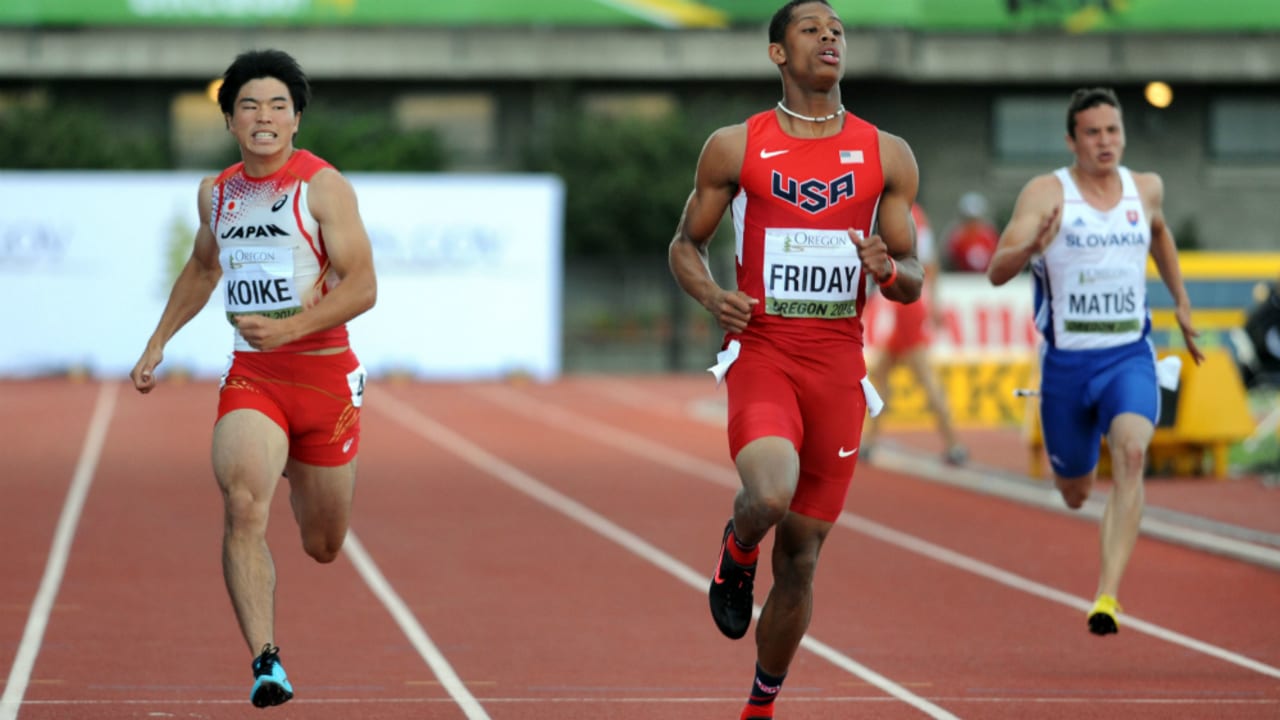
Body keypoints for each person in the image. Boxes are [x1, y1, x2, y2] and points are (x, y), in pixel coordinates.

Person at [667, 2, 923, 717]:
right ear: (778, 53)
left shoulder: (887, 152)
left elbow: (911, 276)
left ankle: (760, 705)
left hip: (839, 365)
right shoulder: (735, 145)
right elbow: (684, 243)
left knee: (804, 557)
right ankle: (737, 547)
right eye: (811, 29)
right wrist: (715, 297)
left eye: (837, 28)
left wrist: (888, 270)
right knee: (770, 496)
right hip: (765, 352)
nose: (830, 36)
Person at [129, 49, 377, 707]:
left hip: (324, 379)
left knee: (323, 544)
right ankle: (267, 661)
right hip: (255, 378)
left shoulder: (323, 188)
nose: (263, 117)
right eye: (249, 105)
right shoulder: (217, 193)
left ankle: (299, 463)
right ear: (231, 120)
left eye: (276, 106)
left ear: (295, 119)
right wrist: (157, 342)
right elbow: (204, 269)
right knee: (242, 504)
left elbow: (364, 288)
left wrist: (293, 328)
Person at [987, 86, 1202, 636]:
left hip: (1128, 356)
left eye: (1113, 131)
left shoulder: (1145, 188)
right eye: (1092, 132)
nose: (1105, 142)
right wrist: (1032, 245)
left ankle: (1106, 595)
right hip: (1066, 367)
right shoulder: (1045, 194)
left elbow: (1159, 234)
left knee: (1132, 453)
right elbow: (996, 269)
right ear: (1072, 139)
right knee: (1076, 492)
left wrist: (1180, 302)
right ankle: (1074, 483)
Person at [863, 202, 968, 465]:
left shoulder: (906, 215)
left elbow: (927, 264)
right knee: (882, 374)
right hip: (907, 304)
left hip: (907, 305)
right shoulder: (913, 215)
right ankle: (869, 442)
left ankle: (954, 443)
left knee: (923, 375)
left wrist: (934, 303)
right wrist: (934, 303)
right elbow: (930, 264)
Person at [945, 191, 999, 273]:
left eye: (975, 219)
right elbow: (949, 261)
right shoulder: (956, 237)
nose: (972, 224)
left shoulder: (990, 235)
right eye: (969, 220)